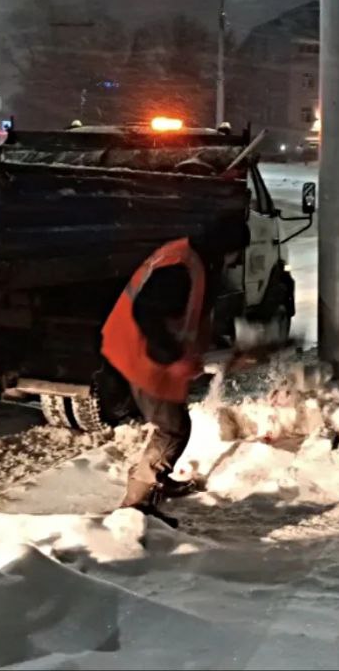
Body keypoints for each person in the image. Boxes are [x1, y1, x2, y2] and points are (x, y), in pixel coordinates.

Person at [101, 217, 248, 511]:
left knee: (173, 418)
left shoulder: (191, 259)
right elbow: (148, 313)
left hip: (143, 350)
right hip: (142, 353)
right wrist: (170, 356)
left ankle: (157, 477)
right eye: (235, 254)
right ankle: (136, 504)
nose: (234, 262)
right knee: (173, 429)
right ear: (225, 248)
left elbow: (188, 314)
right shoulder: (178, 268)